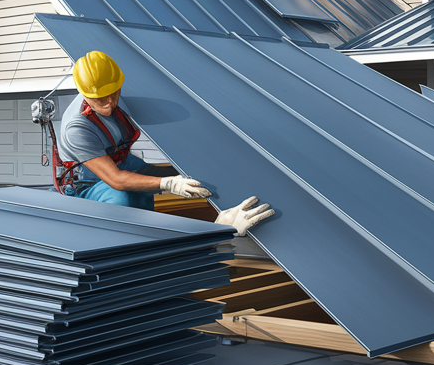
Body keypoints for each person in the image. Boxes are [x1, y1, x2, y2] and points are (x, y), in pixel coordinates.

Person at [56, 50, 274, 236]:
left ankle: (148, 225)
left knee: (182, 175)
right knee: (124, 198)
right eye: (100, 99)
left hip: (121, 162)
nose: (110, 102)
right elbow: (116, 180)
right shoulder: (78, 128)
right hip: (88, 183)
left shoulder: (112, 96)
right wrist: (168, 185)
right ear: (84, 93)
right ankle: (133, 238)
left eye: (113, 94)